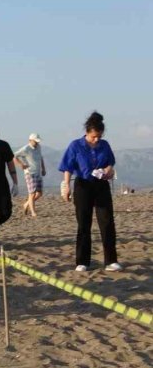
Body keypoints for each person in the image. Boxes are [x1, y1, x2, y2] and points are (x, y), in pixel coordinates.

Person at [59, 112, 121, 272]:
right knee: (84, 224)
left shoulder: (105, 145)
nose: (97, 139)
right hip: (83, 185)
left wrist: (108, 170)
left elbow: (110, 163)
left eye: (99, 136)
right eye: (94, 136)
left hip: (101, 185)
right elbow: (67, 167)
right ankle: (82, 261)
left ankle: (111, 260)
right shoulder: (75, 146)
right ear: (87, 132)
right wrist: (66, 186)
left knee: (107, 222)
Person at [14, 133, 46, 217]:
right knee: (32, 193)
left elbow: (40, 157)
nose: (37, 143)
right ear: (30, 140)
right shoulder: (26, 149)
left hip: (38, 172)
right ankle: (33, 212)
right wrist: (21, 165)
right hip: (30, 173)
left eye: (37, 141)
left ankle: (26, 204)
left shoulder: (39, 147)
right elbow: (14, 156)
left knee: (39, 193)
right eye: (35, 141)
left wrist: (43, 168)